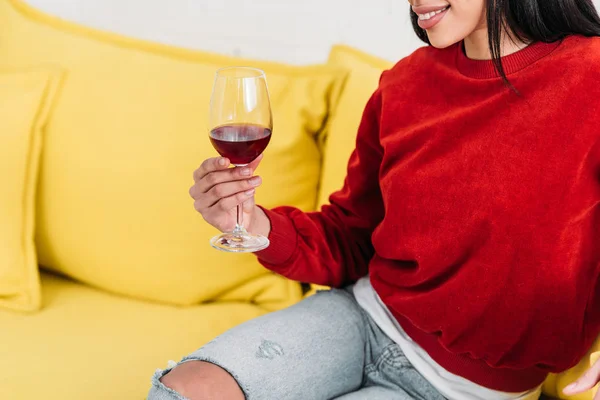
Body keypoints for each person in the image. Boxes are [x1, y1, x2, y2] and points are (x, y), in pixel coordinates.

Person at [149, 0, 600, 399]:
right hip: (361, 318)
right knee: (186, 389)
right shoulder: (405, 83)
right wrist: (251, 221)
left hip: (469, 390)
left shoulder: (589, 77)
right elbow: (353, 236)